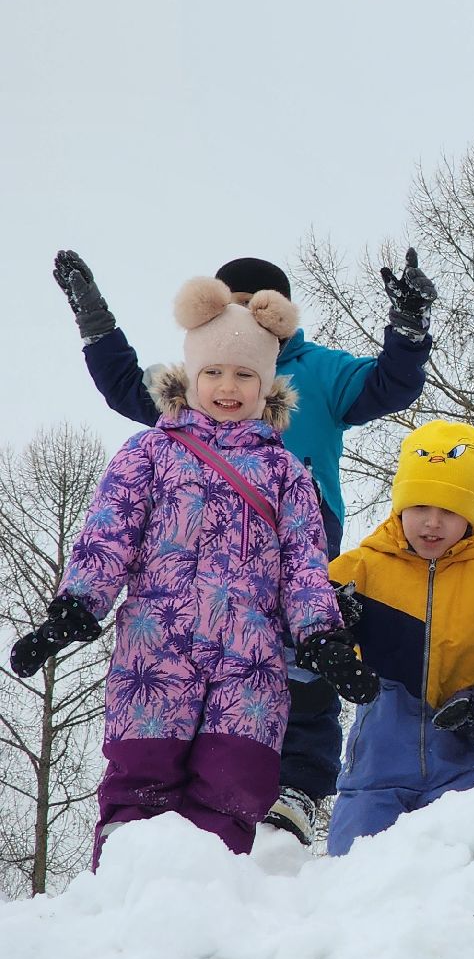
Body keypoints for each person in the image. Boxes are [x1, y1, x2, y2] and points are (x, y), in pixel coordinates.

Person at [52, 249, 435, 844]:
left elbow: (388, 384)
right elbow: (128, 384)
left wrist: (407, 329)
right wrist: (96, 323)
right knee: (197, 664)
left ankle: (299, 784)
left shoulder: (316, 371)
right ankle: (171, 785)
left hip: (293, 527)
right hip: (189, 542)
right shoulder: (200, 379)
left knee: (299, 654)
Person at [10, 276, 344, 856]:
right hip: (153, 650)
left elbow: (306, 566)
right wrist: (73, 609)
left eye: (244, 374)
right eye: (213, 372)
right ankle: (123, 902)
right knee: (139, 788)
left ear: (266, 386)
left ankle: (212, 915)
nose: (227, 387)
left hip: (249, 660)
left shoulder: (286, 472)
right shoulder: (149, 452)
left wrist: (322, 636)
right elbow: (108, 536)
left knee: (233, 789)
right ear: (190, 377)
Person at [324, 420, 474, 855]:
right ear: (399, 505)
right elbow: (303, 635)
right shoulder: (361, 568)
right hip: (375, 770)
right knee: (349, 884)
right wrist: (328, 634)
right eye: (420, 506)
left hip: (466, 764)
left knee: (466, 883)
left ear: (472, 514)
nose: (432, 523)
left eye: (450, 510)